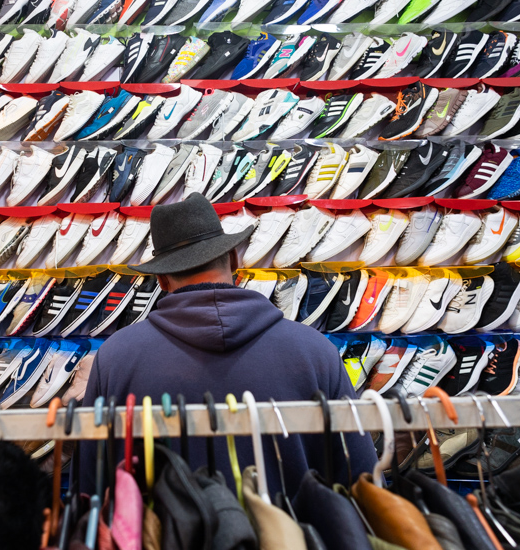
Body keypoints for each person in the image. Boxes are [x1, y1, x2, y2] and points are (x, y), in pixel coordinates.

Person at [80, 194, 376, 494]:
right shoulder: (315, 351)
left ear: (161, 281)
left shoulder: (116, 358)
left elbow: (93, 483)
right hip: (291, 536)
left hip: (166, 539)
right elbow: (360, 477)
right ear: (234, 259)